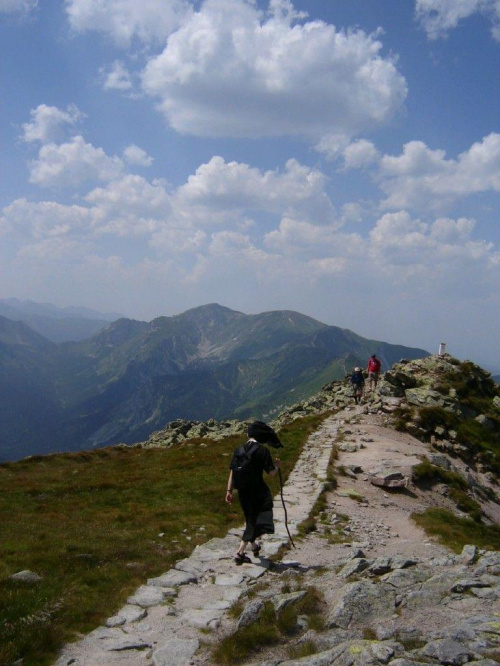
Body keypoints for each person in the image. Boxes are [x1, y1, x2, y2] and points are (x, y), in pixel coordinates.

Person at [226, 421, 282, 565]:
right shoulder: (262, 451)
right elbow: (271, 473)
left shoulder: (238, 450)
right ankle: (240, 552)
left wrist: (229, 491)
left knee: (250, 517)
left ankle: (254, 546)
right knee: (254, 520)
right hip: (258, 491)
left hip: (242, 491)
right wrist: (277, 466)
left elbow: (232, 471)